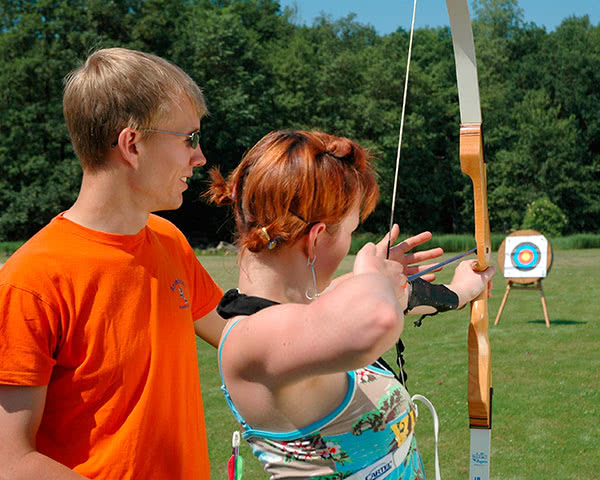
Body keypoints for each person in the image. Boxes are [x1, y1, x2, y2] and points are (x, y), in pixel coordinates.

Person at [207, 129, 496, 479]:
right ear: (315, 239)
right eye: (350, 231)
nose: (352, 245)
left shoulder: (315, 309)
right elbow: (377, 320)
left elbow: (400, 299)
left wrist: (461, 290)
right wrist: (374, 276)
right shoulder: (251, 339)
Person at [0, 48, 225, 479]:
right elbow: (10, 461)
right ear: (132, 143)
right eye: (189, 139)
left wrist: (360, 294)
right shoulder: (29, 282)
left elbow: (237, 332)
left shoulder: (168, 239)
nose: (200, 158)